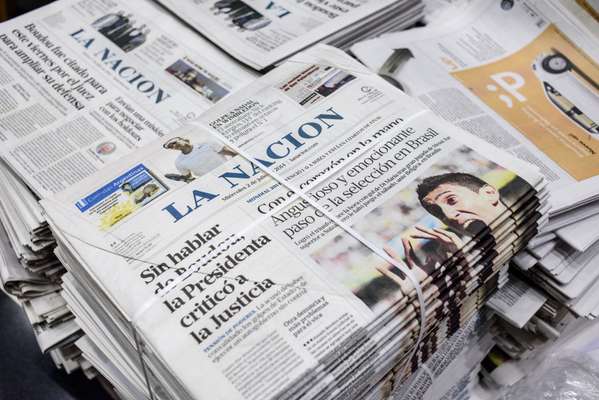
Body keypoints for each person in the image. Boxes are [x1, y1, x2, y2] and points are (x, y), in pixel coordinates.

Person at [399, 172, 507, 273]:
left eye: (452, 200)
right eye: (438, 212)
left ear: (489, 193)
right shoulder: (471, 261)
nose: (448, 215)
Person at [162, 137, 237, 182]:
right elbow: (189, 178)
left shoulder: (208, 143)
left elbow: (233, 154)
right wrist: (184, 179)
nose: (174, 146)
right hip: (214, 182)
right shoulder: (179, 162)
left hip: (232, 172)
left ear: (185, 140)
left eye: (174, 142)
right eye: (171, 147)